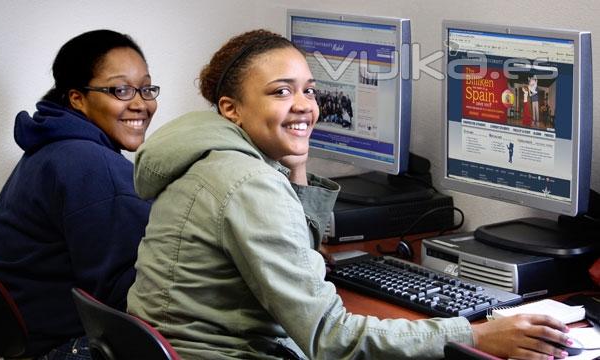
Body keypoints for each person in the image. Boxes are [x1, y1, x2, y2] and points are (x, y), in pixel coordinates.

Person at [127, 29, 572, 360]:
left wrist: (295, 161)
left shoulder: (210, 157)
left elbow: (300, 256)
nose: (304, 104)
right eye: (281, 92)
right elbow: (331, 340)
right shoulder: (246, 183)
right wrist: (474, 334)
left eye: (309, 90)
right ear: (231, 109)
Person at [0, 29, 157, 359]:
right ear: (77, 98)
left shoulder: (51, 148)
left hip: (18, 344)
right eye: (120, 90)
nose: (140, 103)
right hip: (61, 347)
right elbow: (135, 298)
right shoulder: (91, 164)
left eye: (146, 88)